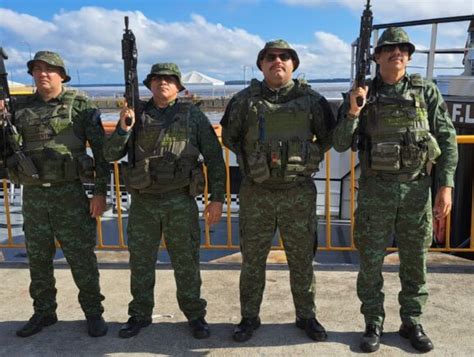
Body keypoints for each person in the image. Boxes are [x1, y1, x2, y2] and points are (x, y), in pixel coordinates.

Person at [334, 27, 458, 353]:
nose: (397, 53)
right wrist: (352, 112)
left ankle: (411, 322)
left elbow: (446, 139)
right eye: (389, 48)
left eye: (402, 48)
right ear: (376, 57)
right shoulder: (362, 93)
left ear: (409, 55)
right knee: (371, 262)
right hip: (376, 191)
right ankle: (373, 322)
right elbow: (339, 143)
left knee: (415, 262)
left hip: (417, 190)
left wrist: (445, 185)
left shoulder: (425, 91)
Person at [221, 40, 336, 342]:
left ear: (293, 64)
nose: (277, 62)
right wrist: (260, 163)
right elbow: (230, 138)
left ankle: (306, 316)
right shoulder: (244, 101)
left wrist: (300, 160)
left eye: (284, 57)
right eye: (270, 57)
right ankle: (249, 317)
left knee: (301, 260)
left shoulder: (311, 100)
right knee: (252, 261)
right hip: (256, 192)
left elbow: (327, 138)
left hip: (297, 192)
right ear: (261, 65)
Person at [104, 63, 225, 339]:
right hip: (144, 202)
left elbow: (215, 159)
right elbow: (110, 155)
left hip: (179, 200)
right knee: (141, 262)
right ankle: (139, 315)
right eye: (157, 79)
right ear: (149, 84)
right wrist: (123, 129)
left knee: (186, 262)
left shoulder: (192, 116)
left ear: (178, 86)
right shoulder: (137, 114)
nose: (163, 83)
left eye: (169, 80)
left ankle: (195, 315)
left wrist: (216, 198)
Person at [7, 51, 109, 337]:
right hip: (34, 195)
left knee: (81, 258)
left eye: (49, 70)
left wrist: (99, 193)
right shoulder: (19, 108)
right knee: (38, 259)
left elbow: (101, 152)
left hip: (70, 194)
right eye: (37, 70)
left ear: (62, 75)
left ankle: (93, 312)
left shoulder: (79, 105)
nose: (42, 74)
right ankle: (44, 312)